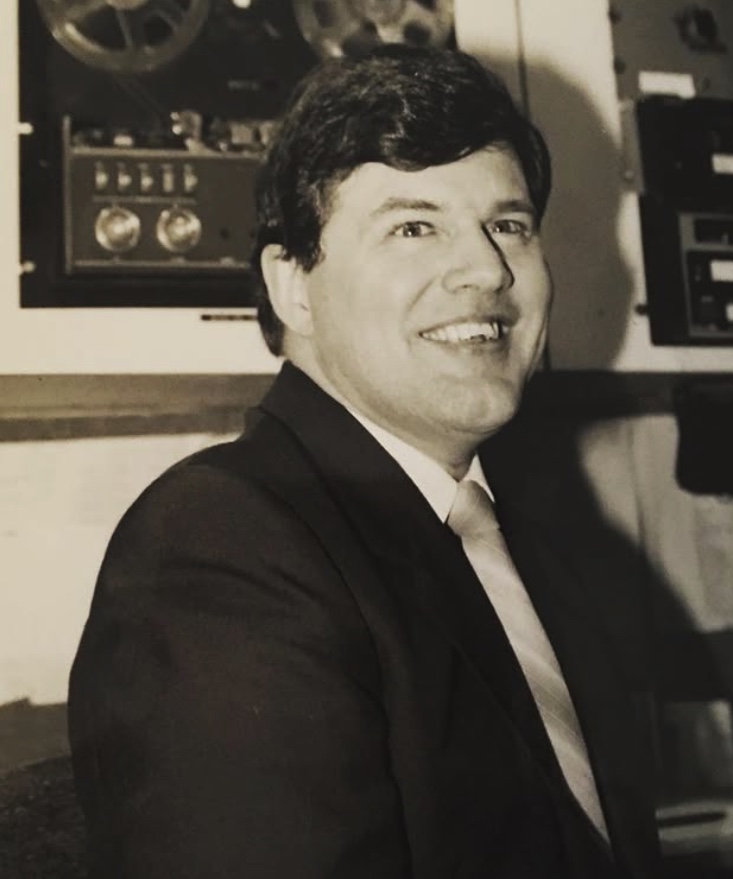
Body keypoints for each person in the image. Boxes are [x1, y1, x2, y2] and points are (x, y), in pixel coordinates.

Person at [68, 45, 662, 878]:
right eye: (413, 226)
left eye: (508, 224)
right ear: (293, 289)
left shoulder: (533, 552)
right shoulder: (220, 543)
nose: (486, 268)